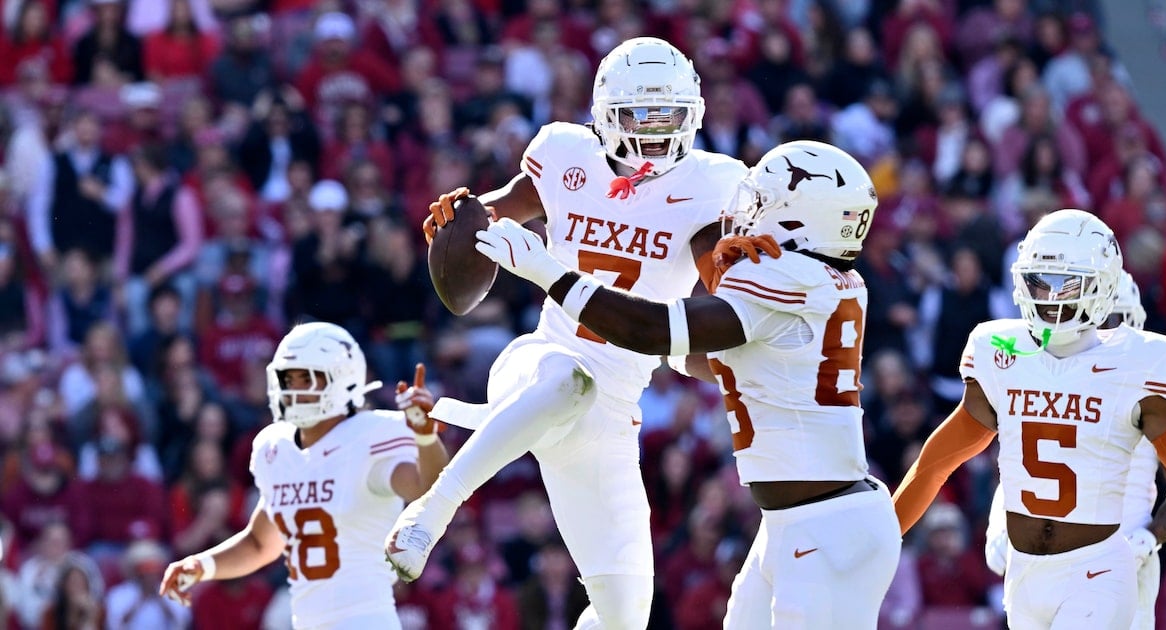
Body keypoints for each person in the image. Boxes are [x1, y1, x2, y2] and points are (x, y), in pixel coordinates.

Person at [386, 37, 748, 629]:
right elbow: (495, 213)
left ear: (695, 114)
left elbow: (717, 314)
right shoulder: (564, 153)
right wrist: (462, 220)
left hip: (613, 414)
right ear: (605, 113)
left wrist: (751, 345)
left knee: (625, 616)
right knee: (568, 381)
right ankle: (431, 511)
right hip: (542, 360)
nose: (655, 132)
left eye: (669, 116)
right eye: (640, 114)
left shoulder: (715, 186)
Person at [471, 140, 901, 628]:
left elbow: (653, 328)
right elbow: (704, 356)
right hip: (799, 520)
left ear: (800, 218)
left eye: (763, 202)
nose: (748, 214)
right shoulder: (822, 279)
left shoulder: (788, 279)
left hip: (825, 522)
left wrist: (549, 273)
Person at [891, 209, 1166, 628]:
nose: (1049, 298)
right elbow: (938, 461)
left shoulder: (1138, 360)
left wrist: (1151, 535)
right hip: (1025, 574)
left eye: (1066, 283)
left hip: (1098, 569)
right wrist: (888, 532)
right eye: (1039, 281)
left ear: (1103, 286)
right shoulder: (1001, 349)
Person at [159, 323, 448, 630]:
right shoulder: (277, 448)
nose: (294, 389)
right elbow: (260, 543)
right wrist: (202, 565)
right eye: (288, 378)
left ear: (342, 379)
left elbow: (426, 487)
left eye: (307, 379)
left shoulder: (370, 436)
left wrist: (426, 438)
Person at [982, 270, 1166, 629]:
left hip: (1121, 556)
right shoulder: (1043, 367)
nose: (1101, 332)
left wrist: (1149, 536)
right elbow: (1023, 463)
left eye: (1111, 321)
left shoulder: (1154, 374)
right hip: (1046, 562)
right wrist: (999, 522)